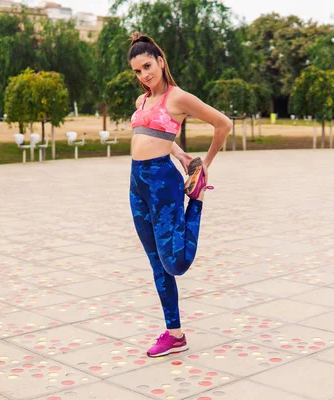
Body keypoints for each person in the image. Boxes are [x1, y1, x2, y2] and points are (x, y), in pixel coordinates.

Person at [128, 32, 232, 357]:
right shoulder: (141, 101)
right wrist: (182, 154)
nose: (144, 75)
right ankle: (175, 335)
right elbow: (155, 134)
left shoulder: (178, 97)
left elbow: (223, 124)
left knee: (176, 262)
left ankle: (197, 200)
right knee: (156, 264)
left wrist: (205, 167)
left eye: (147, 66)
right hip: (137, 184)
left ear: (160, 61)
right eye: (137, 71)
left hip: (162, 184)